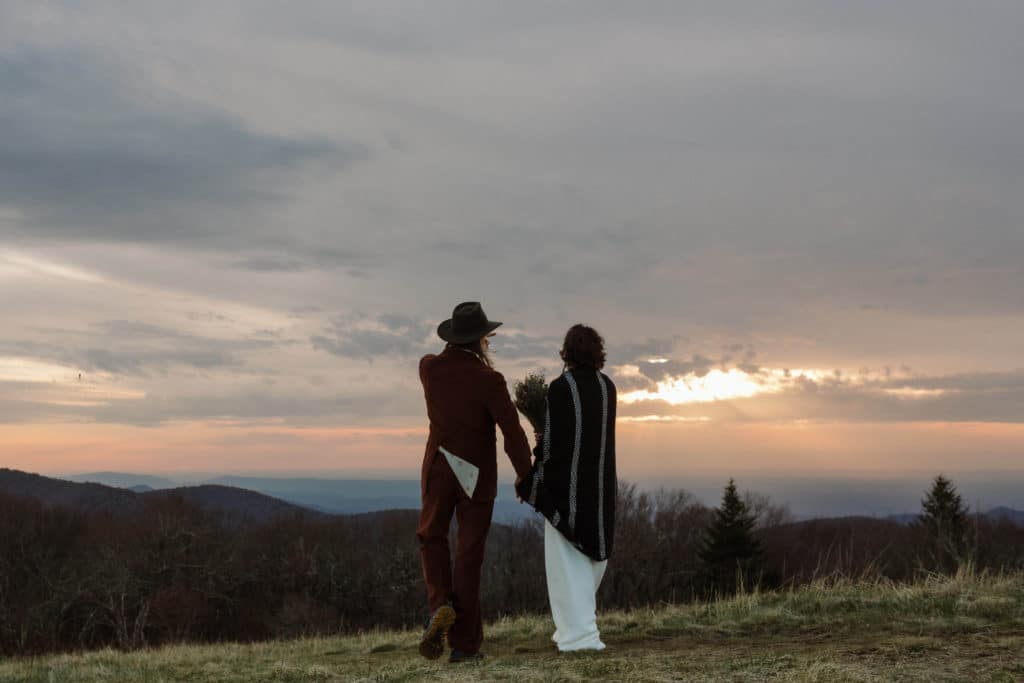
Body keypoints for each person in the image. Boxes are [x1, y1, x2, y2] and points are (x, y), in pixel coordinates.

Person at [416, 301, 533, 663]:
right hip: (476, 475)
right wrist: (526, 476)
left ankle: (439, 605)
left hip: (439, 468)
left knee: (431, 536)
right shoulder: (489, 380)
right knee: (468, 555)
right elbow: (512, 433)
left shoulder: (429, 369)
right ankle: (465, 646)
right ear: (481, 340)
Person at [516, 324, 617, 652]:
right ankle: (577, 631)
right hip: (599, 489)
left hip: (568, 491)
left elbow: (554, 447)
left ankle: (579, 637)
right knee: (585, 565)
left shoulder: (560, 389)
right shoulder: (608, 388)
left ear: (567, 353)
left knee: (565, 564)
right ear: (597, 352)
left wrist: (532, 478)